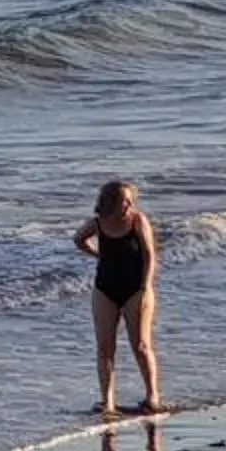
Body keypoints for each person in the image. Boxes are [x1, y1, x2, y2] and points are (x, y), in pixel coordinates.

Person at [76, 178, 162, 416]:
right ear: (110, 202)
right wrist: (98, 255)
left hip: (136, 289)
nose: (128, 205)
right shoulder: (98, 223)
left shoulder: (137, 221)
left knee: (142, 345)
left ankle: (152, 396)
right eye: (123, 201)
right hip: (105, 289)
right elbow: (78, 239)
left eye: (130, 200)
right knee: (105, 348)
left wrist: (146, 286)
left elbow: (149, 254)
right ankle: (108, 402)